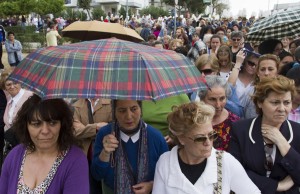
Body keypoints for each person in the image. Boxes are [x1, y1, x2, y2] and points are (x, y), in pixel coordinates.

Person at [152, 102, 261, 194]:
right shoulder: (166, 162)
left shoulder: (225, 161)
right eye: (200, 138)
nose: (208, 143)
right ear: (181, 139)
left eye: (212, 135)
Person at [0, 94, 89, 193]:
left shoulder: (75, 160)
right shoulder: (14, 155)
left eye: (52, 123)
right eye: (36, 124)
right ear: (26, 126)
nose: (45, 131)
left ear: (62, 125)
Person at [229, 75, 300, 194]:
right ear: (260, 103)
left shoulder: (297, 131)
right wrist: (277, 186)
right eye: (275, 102)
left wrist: (282, 143)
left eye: (287, 102)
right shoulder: (241, 130)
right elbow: (235, 172)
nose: (282, 109)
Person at [91, 100, 168, 193]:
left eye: (134, 109)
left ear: (141, 110)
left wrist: (152, 185)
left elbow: (167, 175)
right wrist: (105, 153)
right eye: (122, 110)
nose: (128, 116)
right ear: (114, 112)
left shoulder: (156, 137)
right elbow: (96, 175)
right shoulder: (104, 134)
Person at [198, 75, 240, 151]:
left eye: (222, 98)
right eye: (212, 99)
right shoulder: (194, 121)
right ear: (202, 99)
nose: (218, 105)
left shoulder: (235, 123)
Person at [244, 54, 280, 119]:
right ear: (258, 72)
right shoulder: (250, 91)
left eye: (270, 69)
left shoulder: (282, 91)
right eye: (263, 69)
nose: (266, 73)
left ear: (277, 72)